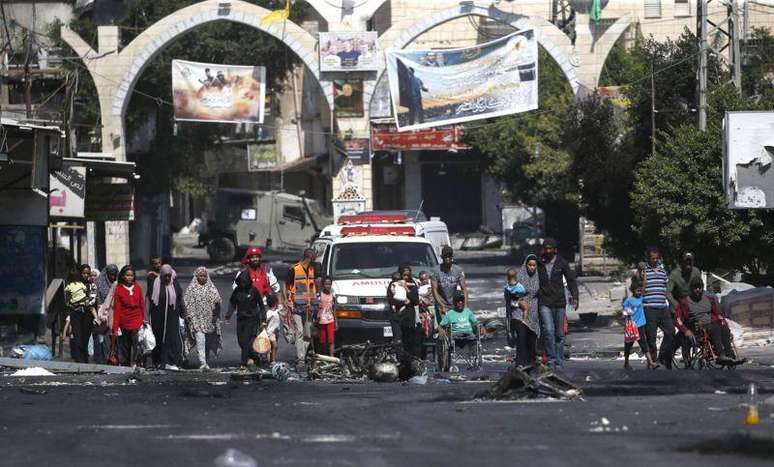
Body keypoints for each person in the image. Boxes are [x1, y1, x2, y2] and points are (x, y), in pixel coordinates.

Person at [675, 278, 745, 365]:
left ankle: (730, 355)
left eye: (700, 288)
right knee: (715, 328)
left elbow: (718, 314)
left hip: (711, 323)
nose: (698, 290)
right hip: (696, 326)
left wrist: (723, 322)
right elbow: (677, 319)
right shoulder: (685, 302)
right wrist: (685, 330)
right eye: (695, 288)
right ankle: (720, 355)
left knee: (724, 328)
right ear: (691, 289)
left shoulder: (709, 299)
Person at [537, 238, 578, 370]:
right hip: (544, 302)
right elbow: (529, 278)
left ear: (555, 250)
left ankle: (559, 362)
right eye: (546, 248)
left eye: (550, 248)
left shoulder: (562, 263)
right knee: (548, 331)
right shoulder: (539, 262)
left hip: (559, 302)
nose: (548, 251)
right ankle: (551, 359)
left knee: (559, 334)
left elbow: (571, 280)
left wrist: (575, 297)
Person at [642, 246, 675, 369]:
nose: (655, 260)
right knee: (651, 335)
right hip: (649, 307)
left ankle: (662, 355)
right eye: (652, 258)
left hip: (662, 307)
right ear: (648, 259)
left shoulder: (663, 271)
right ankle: (653, 360)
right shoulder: (643, 271)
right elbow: (639, 288)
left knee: (671, 332)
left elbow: (667, 288)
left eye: (657, 258)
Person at [183, 267, 222, 370]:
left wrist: (217, 303)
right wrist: (188, 316)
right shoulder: (192, 288)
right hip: (196, 319)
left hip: (209, 320)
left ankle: (206, 361)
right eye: (200, 276)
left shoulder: (211, 287)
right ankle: (202, 362)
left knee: (208, 342)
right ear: (196, 276)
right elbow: (186, 302)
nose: (203, 278)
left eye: (205, 276)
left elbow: (218, 299)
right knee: (200, 340)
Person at [285, 248, 318, 370]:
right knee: (299, 332)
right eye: (314, 259)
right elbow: (287, 286)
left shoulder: (311, 270)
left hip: (309, 307)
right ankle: (301, 360)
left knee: (307, 335)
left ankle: (302, 356)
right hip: (296, 306)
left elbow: (312, 288)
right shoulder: (294, 269)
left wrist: (314, 304)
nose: (314, 262)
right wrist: (288, 302)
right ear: (309, 258)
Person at [150, 264, 185, 370]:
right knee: (158, 338)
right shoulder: (155, 283)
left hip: (172, 316)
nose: (167, 278)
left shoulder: (174, 283)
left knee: (172, 338)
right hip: (158, 317)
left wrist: (184, 313)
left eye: (169, 276)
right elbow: (148, 299)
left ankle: (172, 361)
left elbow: (180, 298)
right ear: (161, 275)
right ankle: (158, 361)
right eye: (165, 276)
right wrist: (146, 316)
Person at [227, 272, 264, 368]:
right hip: (240, 319)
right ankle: (255, 356)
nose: (243, 283)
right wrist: (228, 315)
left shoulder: (254, 290)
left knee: (246, 341)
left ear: (248, 281)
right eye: (241, 282)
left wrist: (263, 317)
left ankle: (243, 363)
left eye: (244, 282)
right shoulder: (237, 291)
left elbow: (261, 304)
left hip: (252, 319)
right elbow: (232, 303)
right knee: (241, 341)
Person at [622, 279, 659, 370]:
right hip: (632, 326)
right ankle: (626, 362)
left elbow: (646, 289)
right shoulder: (629, 300)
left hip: (640, 325)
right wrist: (629, 311)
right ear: (633, 290)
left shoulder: (641, 298)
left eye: (640, 290)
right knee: (628, 345)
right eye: (637, 290)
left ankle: (651, 362)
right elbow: (624, 310)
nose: (639, 292)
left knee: (643, 344)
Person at [112, 266, 145, 367]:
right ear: (123, 276)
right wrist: (116, 327)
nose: (129, 277)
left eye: (131, 275)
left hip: (136, 321)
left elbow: (141, 305)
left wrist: (143, 321)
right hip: (124, 322)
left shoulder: (137, 287)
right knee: (125, 347)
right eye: (127, 275)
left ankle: (136, 364)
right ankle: (126, 365)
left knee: (136, 345)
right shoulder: (118, 289)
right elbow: (117, 309)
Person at [388, 265, 422, 357]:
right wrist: (404, 302)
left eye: (408, 275)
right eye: (404, 275)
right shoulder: (393, 284)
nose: (406, 277)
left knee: (409, 341)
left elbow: (415, 300)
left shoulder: (412, 285)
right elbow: (390, 300)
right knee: (398, 340)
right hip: (397, 317)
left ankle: (409, 361)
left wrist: (406, 288)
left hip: (408, 317)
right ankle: (399, 359)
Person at [515, 255, 542, 366]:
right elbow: (510, 293)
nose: (532, 267)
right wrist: (518, 302)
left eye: (534, 265)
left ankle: (531, 361)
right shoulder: (519, 276)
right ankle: (520, 362)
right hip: (519, 310)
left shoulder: (539, 276)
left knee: (532, 337)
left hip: (534, 310)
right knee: (521, 337)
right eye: (529, 265)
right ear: (525, 265)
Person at [64, 268, 92, 363]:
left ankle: (83, 358)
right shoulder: (81, 285)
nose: (86, 275)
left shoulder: (88, 285)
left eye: (88, 273)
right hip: (77, 312)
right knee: (78, 336)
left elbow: (67, 298)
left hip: (83, 313)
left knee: (81, 336)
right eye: (84, 273)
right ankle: (80, 359)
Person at [431, 246, 467, 317]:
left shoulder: (458, 270)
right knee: (444, 326)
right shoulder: (436, 271)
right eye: (445, 256)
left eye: (449, 256)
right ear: (442, 257)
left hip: (454, 303)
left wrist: (465, 306)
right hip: (441, 303)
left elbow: (464, 289)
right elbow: (434, 289)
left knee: (456, 325)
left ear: (452, 257)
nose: (447, 258)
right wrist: (441, 305)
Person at [93, 264, 118, 364]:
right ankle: (104, 360)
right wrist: (102, 314)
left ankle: (115, 358)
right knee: (104, 339)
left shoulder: (118, 283)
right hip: (103, 315)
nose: (113, 277)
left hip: (116, 314)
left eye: (114, 274)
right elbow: (98, 300)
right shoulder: (100, 283)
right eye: (111, 274)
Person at [504, 268, 526, 348]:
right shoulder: (518, 287)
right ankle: (516, 345)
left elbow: (507, 301)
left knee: (515, 333)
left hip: (517, 314)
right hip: (515, 314)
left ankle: (518, 347)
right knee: (514, 332)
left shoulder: (508, 288)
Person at [317, 277, 337, 357]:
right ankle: (323, 357)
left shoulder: (333, 294)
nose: (327, 286)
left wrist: (336, 321)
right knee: (322, 341)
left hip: (330, 320)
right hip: (321, 320)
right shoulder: (319, 295)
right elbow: (316, 307)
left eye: (329, 284)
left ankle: (331, 357)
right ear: (323, 285)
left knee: (331, 340)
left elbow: (334, 308)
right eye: (326, 284)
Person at [265, 294, 284, 363]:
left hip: (276, 332)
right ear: (275, 302)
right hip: (270, 332)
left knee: (273, 347)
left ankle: (272, 359)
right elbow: (265, 322)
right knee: (275, 346)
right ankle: (273, 361)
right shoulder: (269, 313)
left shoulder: (277, 310)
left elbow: (281, 305)